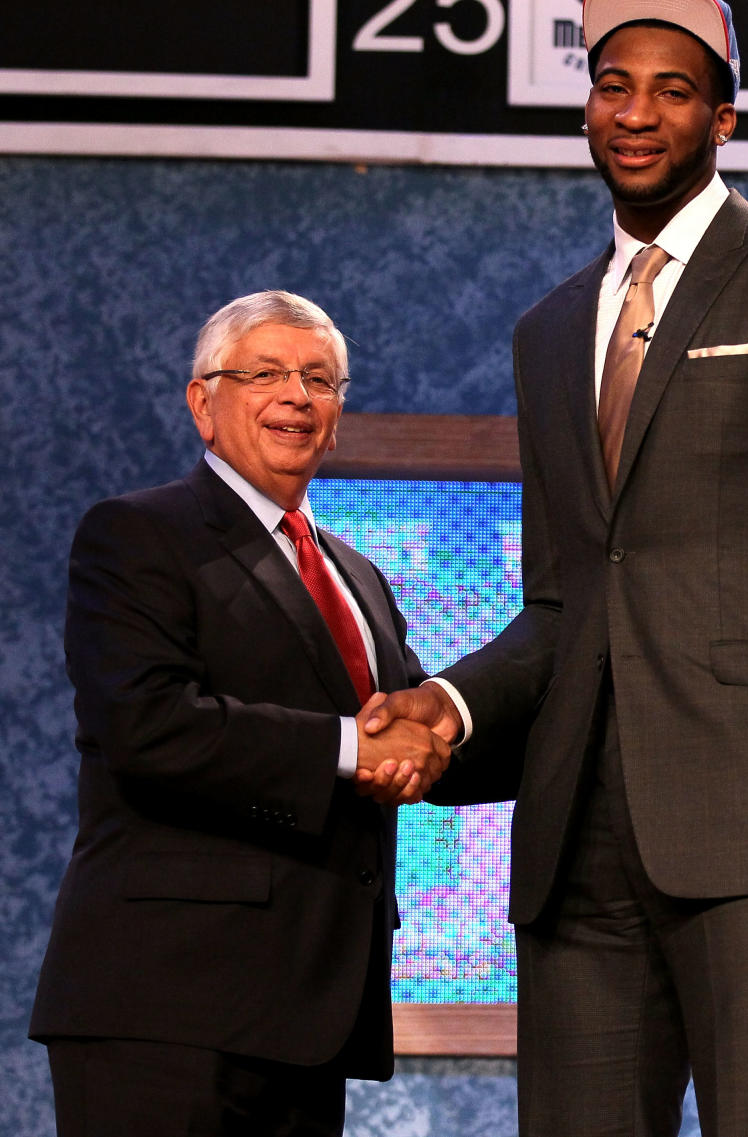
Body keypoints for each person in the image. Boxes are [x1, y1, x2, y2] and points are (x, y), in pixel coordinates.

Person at [362, 0, 748, 1137]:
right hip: (576, 841)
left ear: (723, 120)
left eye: (673, 92)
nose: (636, 113)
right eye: (613, 87)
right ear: (585, 108)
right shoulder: (551, 327)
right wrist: (449, 705)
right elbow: (565, 600)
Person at [30, 290, 449, 1137]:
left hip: (310, 1015)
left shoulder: (359, 575)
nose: (297, 395)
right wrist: (345, 748)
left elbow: (405, 737)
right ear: (203, 403)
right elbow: (147, 725)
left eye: (321, 379)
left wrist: (453, 727)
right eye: (264, 373)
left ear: (337, 415)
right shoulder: (137, 534)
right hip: (164, 1007)